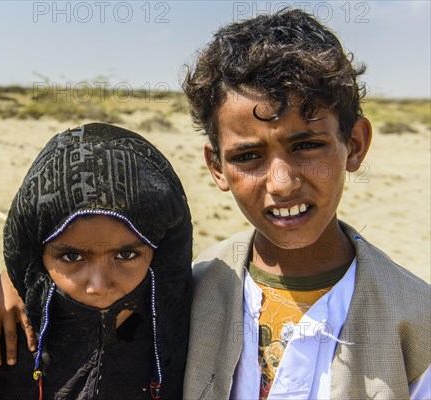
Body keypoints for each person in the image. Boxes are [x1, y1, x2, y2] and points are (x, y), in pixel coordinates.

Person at [182, 9, 431, 399]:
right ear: (217, 167)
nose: (282, 184)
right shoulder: (189, 297)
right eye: (248, 156)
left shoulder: (417, 323)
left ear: (356, 146)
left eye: (307, 146)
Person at [0, 123, 193, 399]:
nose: (99, 286)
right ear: (33, 253)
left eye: (126, 255)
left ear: (160, 252)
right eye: (72, 256)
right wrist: (11, 279)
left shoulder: (193, 319)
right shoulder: (1, 329)